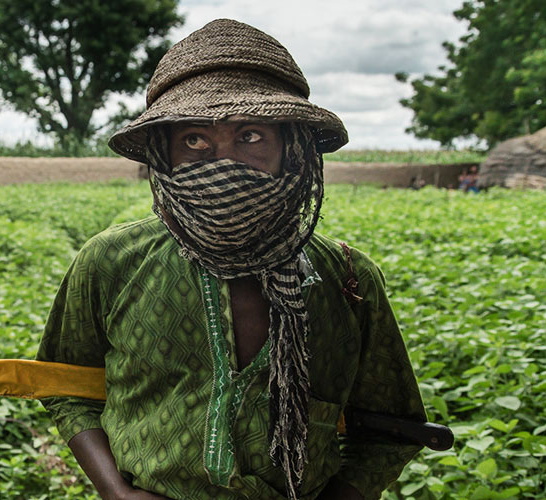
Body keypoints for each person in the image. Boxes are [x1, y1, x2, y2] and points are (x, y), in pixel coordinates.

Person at [36, 19, 426, 500]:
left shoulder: (346, 279)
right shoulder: (111, 262)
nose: (225, 163)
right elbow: (66, 388)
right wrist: (118, 492)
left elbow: (393, 427)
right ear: (165, 155)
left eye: (252, 136)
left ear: (293, 150)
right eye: (195, 140)